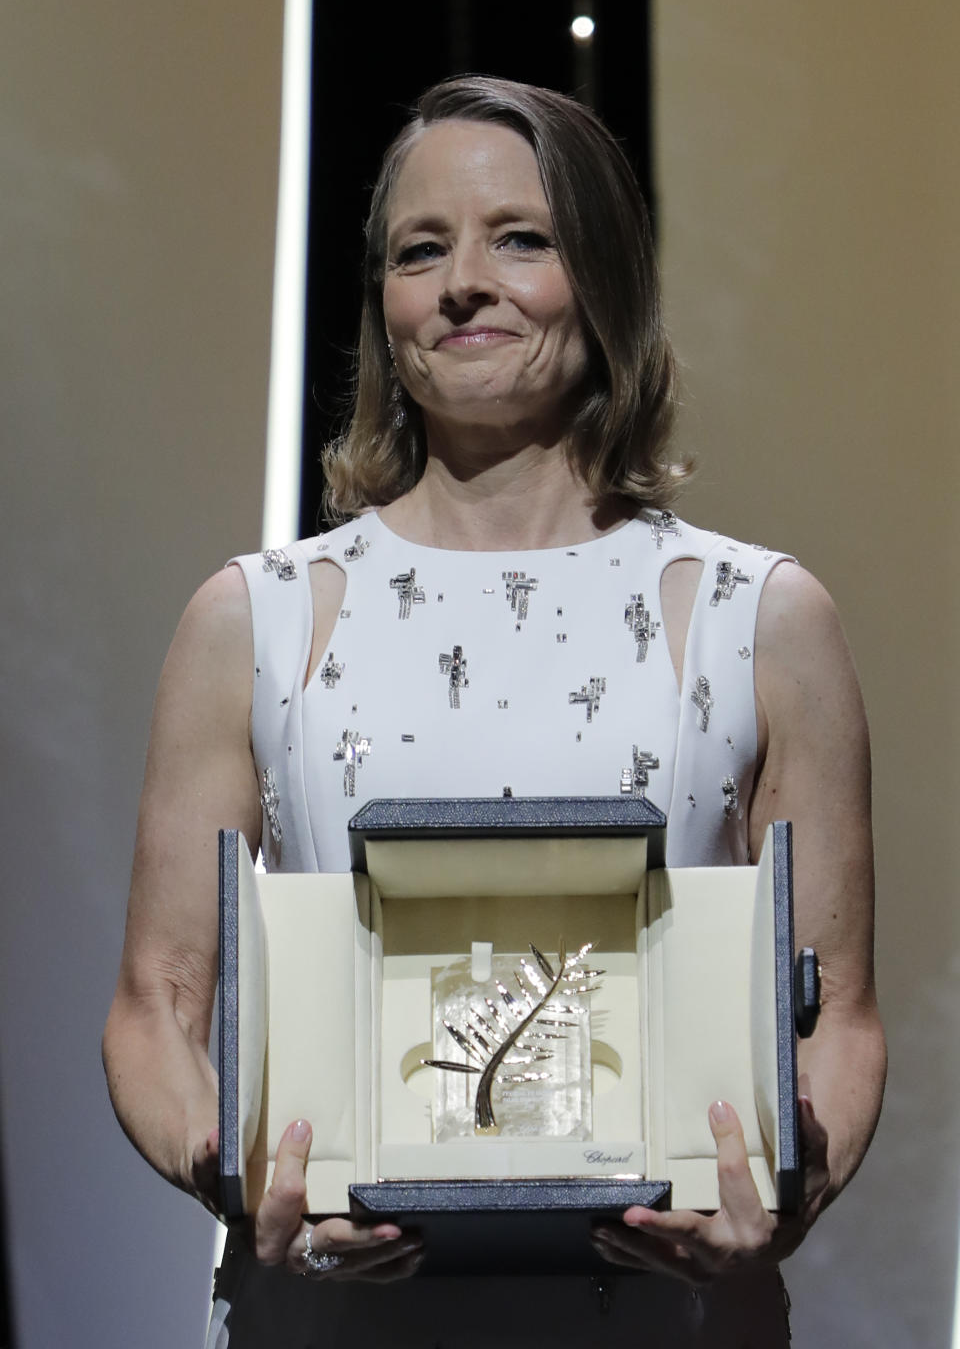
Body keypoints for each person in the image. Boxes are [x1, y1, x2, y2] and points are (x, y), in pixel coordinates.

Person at [103, 76, 885, 1346]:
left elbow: (839, 1018)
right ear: (385, 306)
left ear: (608, 276)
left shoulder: (764, 614)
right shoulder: (256, 618)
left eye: (520, 236)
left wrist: (781, 1203)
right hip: (330, 1315)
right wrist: (233, 1174)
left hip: (662, 1315)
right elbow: (155, 1003)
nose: (465, 282)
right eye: (422, 250)